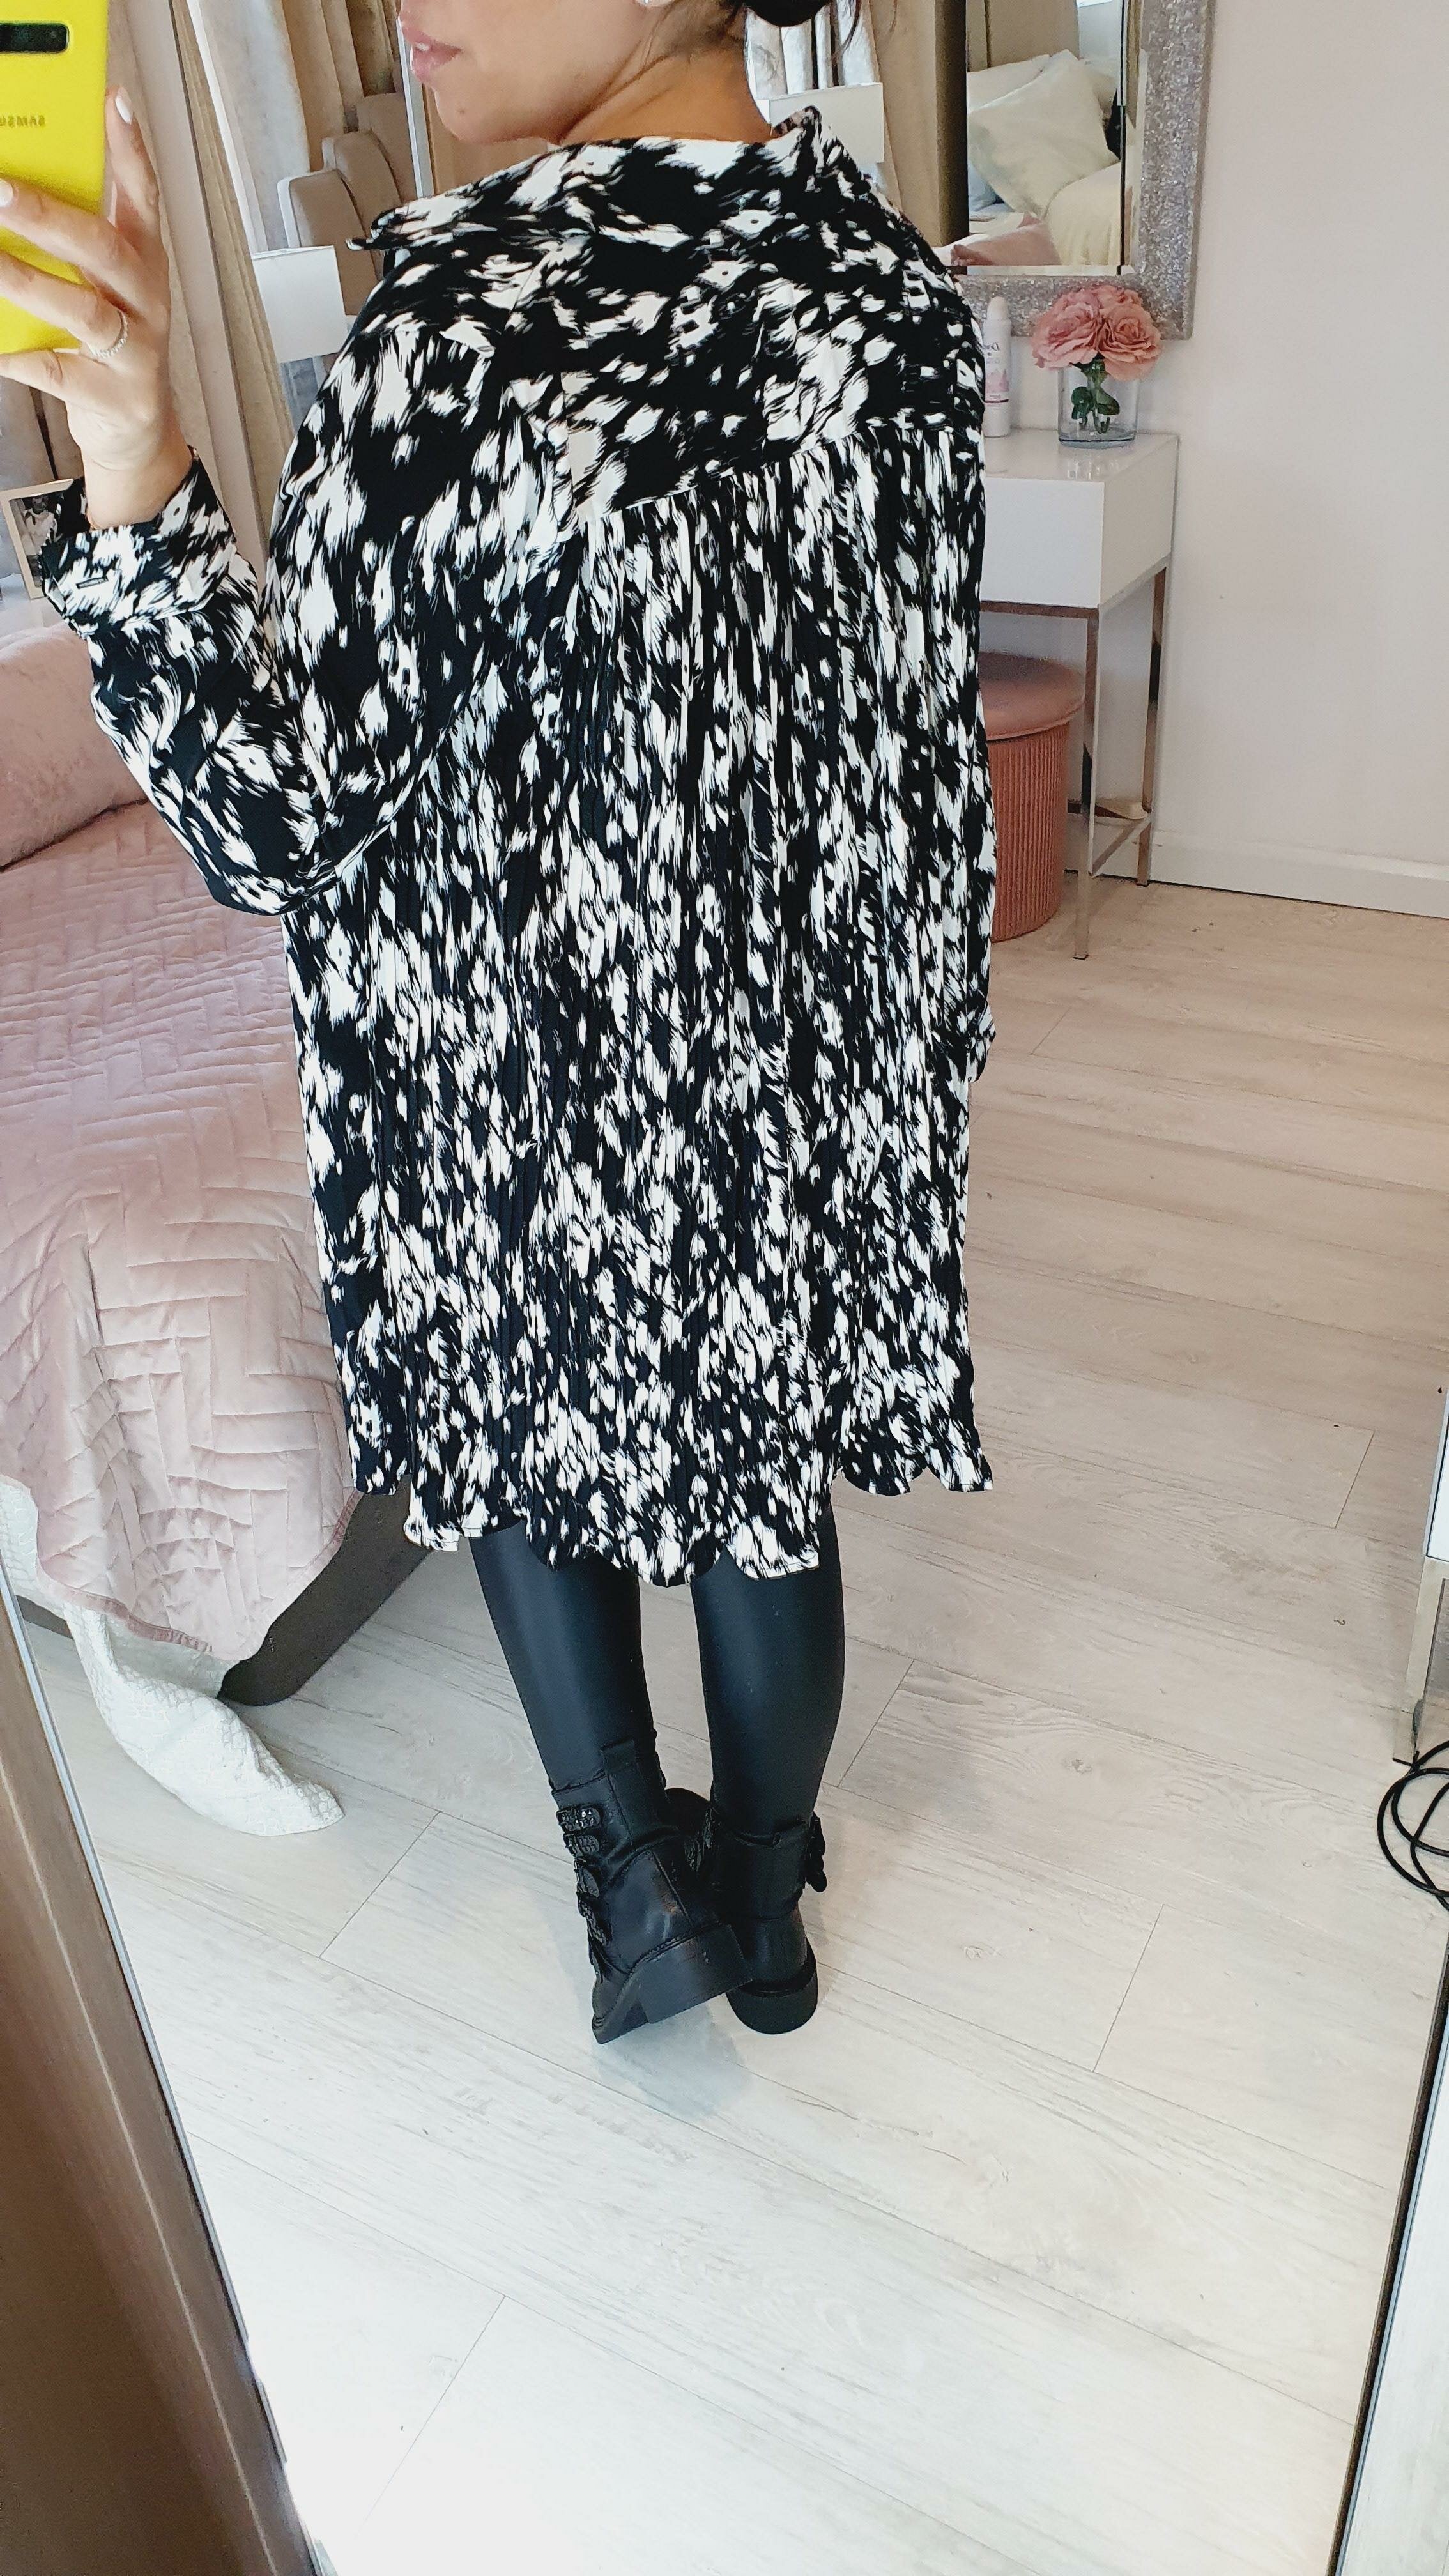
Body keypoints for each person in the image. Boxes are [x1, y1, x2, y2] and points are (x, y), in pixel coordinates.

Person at [0, 0, 995, 2044]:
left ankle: (637, 1892)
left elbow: (273, 819)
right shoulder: (891, 297)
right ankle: (764, 1903)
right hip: (787, 1060)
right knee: (760, 1491)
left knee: (532, 1466)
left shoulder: (464, 331)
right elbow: (912, 758)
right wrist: (905, 1069)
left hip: (497, 1064)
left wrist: (135, 457)